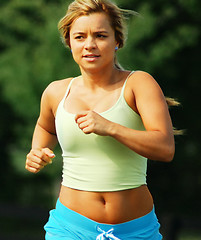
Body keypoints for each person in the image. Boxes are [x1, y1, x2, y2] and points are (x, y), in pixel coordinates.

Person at [25, 0, 177, 239]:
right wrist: (38, 151)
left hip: (135, 229)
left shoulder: (138, 84)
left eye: (100, 35)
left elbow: (165, 148)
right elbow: (46, 126)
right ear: (69, 42)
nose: (90, 45)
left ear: (117, 41)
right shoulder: (55, 92)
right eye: (79, 37)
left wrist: (111, 128)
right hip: (70, 228)